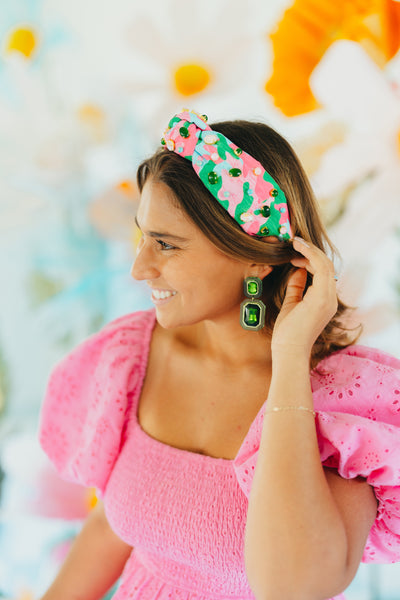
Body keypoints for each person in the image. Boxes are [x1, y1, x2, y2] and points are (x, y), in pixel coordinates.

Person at [38, 109, 400, 600]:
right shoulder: (132, 357)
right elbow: (111, 528)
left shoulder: (346, 406)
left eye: (166, 245)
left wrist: (290, 360)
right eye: (143, 235)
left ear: (255, 253)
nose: (139, 268)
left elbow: (295, 587)